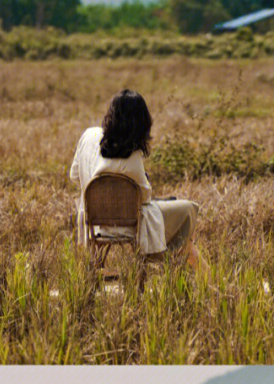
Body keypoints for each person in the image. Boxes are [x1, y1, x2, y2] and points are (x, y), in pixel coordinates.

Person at [69, 87, 201, 271]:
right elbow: (145, 197)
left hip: (93, 221)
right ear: (141, 122)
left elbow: (74, 175)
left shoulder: (89, 136)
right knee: (188, 207)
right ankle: (177, 260)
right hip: (129, 225)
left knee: (171, 208)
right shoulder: (132, 155)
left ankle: (183, 257)